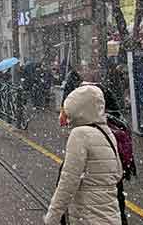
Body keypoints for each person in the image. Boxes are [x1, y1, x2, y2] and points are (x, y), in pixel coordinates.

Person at [44, 85, 124, 225]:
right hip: (111, 217)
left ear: (77, 110)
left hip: (87, 217)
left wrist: (52, 217)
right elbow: (117, 173)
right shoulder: (107, 132)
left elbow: (68, 182)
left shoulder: (80, 134)